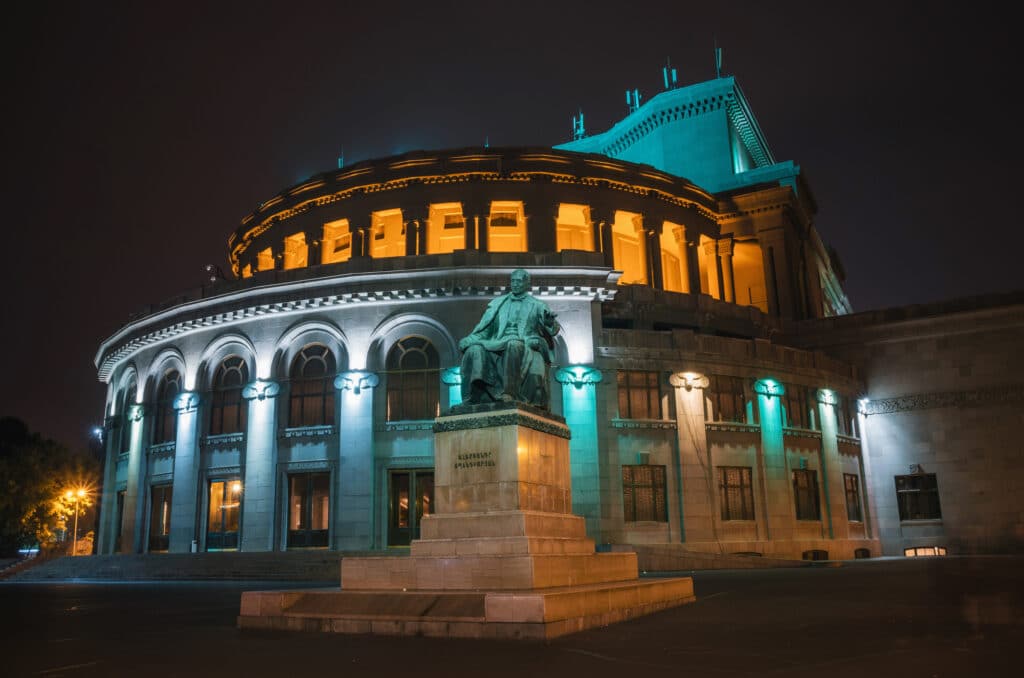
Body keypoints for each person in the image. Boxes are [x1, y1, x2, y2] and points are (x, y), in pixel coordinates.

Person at [458, 269, 559, 408]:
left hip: (524, 342)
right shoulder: (498, 304)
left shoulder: (537, 305)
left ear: (527, 283)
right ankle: (473, 395)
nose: (515, 284)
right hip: (497, 342)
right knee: (474, 349)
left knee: (513, 344)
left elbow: (552, 329)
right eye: (513, 281)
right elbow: (485, 330)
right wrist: (469, 340)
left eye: (519, 281)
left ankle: (510, 393)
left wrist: (549, 322)